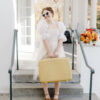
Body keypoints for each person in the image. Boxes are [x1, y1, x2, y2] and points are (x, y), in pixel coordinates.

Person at [33, 7, 67, 100]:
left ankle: (56, 93)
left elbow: (61, 39)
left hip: (57, 49)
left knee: (58, 72)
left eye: (47, 13)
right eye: (43, 15)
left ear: (51, 13)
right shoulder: (42, 26)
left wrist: (56, 51)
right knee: (44, 72)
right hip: (45, 50)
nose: (45, 16)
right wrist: (49, 52)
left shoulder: (59, 25)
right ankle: (46, 94)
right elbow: (43, 39)